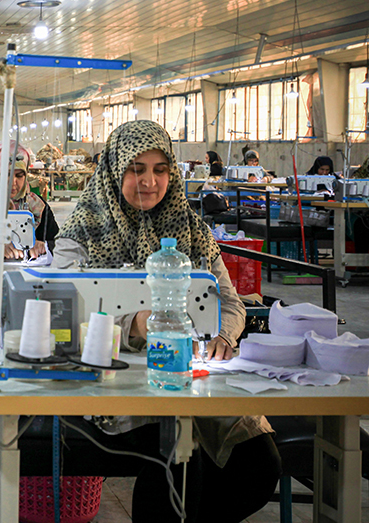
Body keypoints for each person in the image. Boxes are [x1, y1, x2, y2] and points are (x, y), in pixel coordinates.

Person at [54, 120, 280, 523]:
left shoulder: (191, 230)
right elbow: (67, 313)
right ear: (114, 170)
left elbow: (229, 302)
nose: (150, 181)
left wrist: (223, 337)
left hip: (189, 374)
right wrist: (134, 325)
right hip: (115, 382)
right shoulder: (81, 231)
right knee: (179, 457)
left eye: (160, 170)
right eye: (136, 169)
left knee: (259, 464)